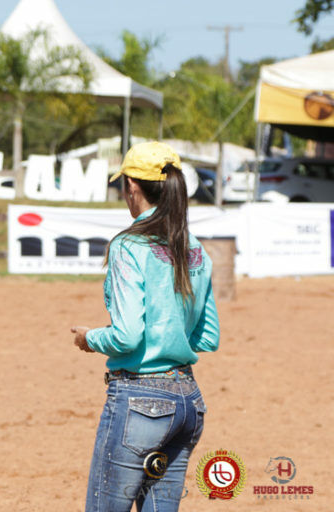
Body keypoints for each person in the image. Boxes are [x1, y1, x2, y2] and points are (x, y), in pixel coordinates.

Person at [71, 141, 220, 511]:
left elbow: (126, 336)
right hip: (187, 402)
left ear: (132, 187)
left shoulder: (128, 246)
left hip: (138, 403)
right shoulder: (195, 248)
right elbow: (208, 336)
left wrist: (89, 338)